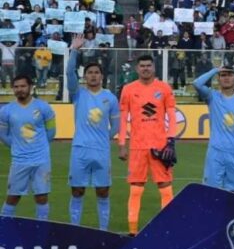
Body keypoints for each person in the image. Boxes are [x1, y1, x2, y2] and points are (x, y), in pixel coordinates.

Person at [118, 54, 177, 236]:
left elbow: (171, 115)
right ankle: (132, 231)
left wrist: (171, 141)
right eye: (142, 66)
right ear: (137, 69)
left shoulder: (164, 88)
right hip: (137, 146)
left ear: (154, 68)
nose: (145, 68)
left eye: (148, 65)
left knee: (165, 186)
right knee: (136, 189)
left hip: (160, 146)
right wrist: (122, 143)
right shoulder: (128, 89)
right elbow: (123, 118)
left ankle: (168, 228)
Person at [67, 35, 120, 230]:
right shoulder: (78, 94)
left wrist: (104, 139)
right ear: (85, 76)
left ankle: (103, 231)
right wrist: (74, 50)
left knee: (103, 191)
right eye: (89, 72)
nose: (93, 75)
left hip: (101, 150)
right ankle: (74, 229)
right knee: (77, 191)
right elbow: (69, 73)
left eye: (96, 72)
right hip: (80, 149)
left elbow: (116, 126)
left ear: (101, 76)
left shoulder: (110, 98)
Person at [0, 75, 56, 220]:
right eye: (16, 87)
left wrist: (39, 146)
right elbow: (3, 135)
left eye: (23, 86)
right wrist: (18, 147)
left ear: (30, 87)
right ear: (13, 89)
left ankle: (41, 229)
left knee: (41, 197)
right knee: (12, 197)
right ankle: (3, 229)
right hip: (19, 160)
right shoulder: (6, 110)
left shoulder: (43, 107)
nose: (20, 89)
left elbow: (51, 132)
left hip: (41, 160)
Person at [193, 65, 234, 194]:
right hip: (216, 151)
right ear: (218, 79)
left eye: (230, 75)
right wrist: (215, 70)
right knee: (210, 192)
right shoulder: (212, 96)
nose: (226, 78)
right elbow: (197, 84)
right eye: (223, 75)